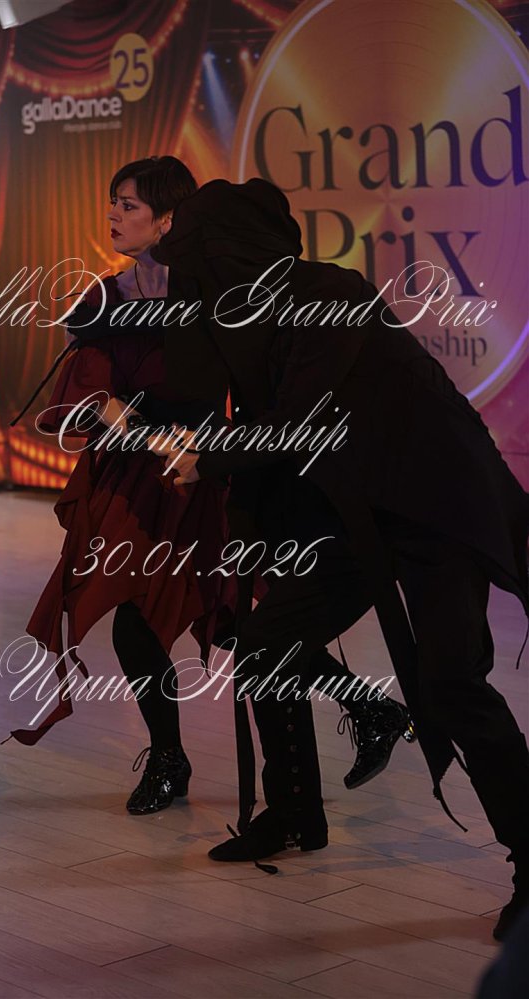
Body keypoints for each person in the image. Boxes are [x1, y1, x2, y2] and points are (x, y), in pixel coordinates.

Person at [151, 177, 529, 941]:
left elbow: (296, 422)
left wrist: (206, 456)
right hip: (359, 510)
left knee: (452, 684)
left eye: (201, 269)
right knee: (266, 646)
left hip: (436, 503)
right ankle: (295, 813)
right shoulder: (253, 317)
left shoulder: (330, 293)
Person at [5, 157, 412, 815]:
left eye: (129, 205)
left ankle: (365, 708)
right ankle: (172, 758)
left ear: (170, 220)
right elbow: (91, 393)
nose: (113, 214)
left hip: (201, 475)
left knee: (230, 621)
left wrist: (197, 445)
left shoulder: (212, 298)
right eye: (113, 201)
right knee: (139, 622)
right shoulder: (106, 298)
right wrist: (135, 426)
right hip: (136, 480)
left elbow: (246, 388)